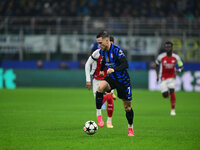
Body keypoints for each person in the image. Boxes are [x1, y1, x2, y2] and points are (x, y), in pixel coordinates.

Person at [95, 31, 134, 136]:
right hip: (111, 78)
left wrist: (114, 69)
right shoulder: (102, 51)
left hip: (123, 81)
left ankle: (130, 128)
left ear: (107, 40)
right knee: (100, 87)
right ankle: (99, 115)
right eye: (98, 43)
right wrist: (103, 69)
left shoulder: (116, 50)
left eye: (100, 42)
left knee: (127, 107)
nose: (99, 45)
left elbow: (125, 64)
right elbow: (104, 61)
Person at [85, 34, 116, 128]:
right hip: (97, 80)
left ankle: (109, 121)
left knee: (109, 98)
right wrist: (88, 80)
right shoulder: (97, 53)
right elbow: (87, 64)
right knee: (99, 101)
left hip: (109, 80)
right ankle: (99, 116)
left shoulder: (115, 53)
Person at [155, 41, 184, 116]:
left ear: (172, 47)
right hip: (163, 77)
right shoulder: (161, 57)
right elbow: (156, 64)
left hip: (172, 77)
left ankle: (173, 110)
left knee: (172, 91)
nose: (168, 48)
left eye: (169, 47)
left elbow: (181, 67)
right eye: (166, 47)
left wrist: (179, 70)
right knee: (165, 95)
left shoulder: (176, 57)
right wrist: (157, 75)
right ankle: (168, 93)